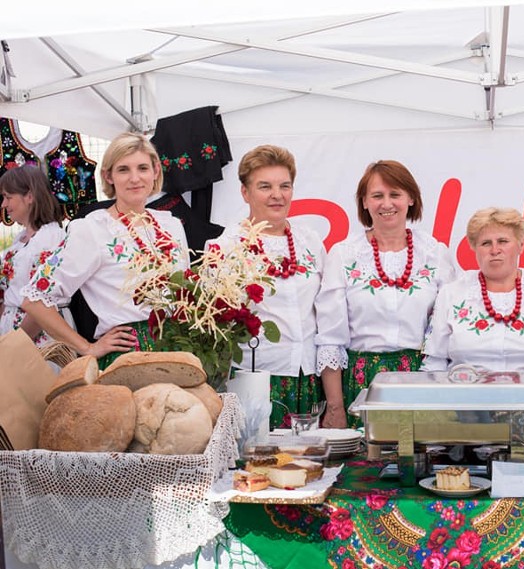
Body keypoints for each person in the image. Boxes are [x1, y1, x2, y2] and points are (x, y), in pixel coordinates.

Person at [21, 132, 189, 366]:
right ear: (108, 176)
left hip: (179, 349)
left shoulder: (170, 224)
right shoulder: (93, 229)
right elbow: (35, 300)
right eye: (123, 169)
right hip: (127, 358)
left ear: (155, 172)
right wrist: (86, 347)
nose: (134, 178)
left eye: (142, 168)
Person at [315, 160, 457, 428]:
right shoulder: (343, 254)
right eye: (377, 196)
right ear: (364, 202)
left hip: (422, 380)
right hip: (361, 382)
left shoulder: (435, 253)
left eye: (395, 194)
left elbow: (447, 330)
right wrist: (335, 407)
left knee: (421, 465)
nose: (387, 204)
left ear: (411, 199)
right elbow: (330, 339)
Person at [207, 145, 326, 428]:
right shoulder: (225, 247)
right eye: (265, 186)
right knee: (258, 468)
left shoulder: (309, 240)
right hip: (255, 378)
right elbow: (214, 325)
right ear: (245, 193)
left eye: (285, 186)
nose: (277, 195)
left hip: (308, 376)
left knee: (310, 466)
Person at [422, 207, 524, 385]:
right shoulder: (451, 294)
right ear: (474, 248)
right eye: (486, 243)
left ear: (521, 245)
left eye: (503, 241)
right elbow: (435, 364)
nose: (495, 250)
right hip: (467, 407)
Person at [0, 165, 66, 346]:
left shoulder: (50, 238)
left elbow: (45, 299)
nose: (4, 204)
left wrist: (17, 343)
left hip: (34, 336)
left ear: (29, 196)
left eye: (8, 197)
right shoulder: (19, 239)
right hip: (12, 333)